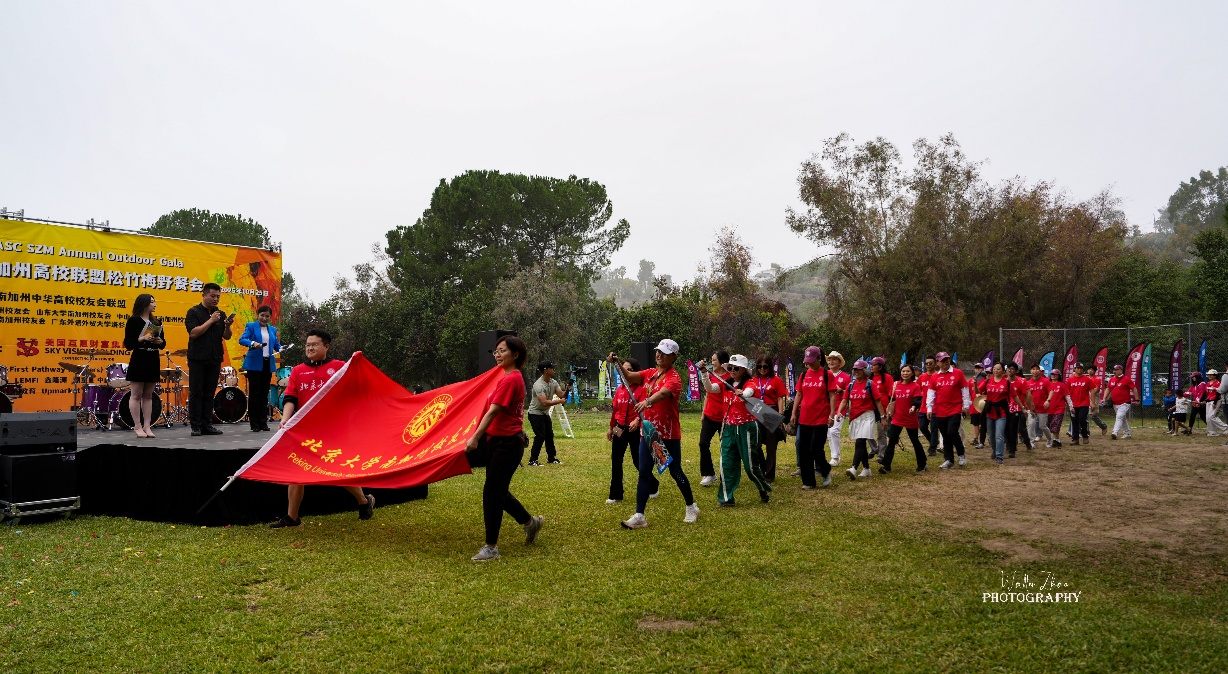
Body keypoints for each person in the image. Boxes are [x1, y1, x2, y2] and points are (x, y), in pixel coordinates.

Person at [270, 329, 375, 529]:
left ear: (326, 346)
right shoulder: (298, 371)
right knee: (296, 471)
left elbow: (355, 387)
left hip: (333, 430)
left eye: (314, 344)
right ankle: (292, 518)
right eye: (308, 345)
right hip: (305, 431)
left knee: (337, 470)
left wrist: (357, 364)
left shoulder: (338, 367)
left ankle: (364, 501)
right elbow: (291, 398)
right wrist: (285, 419)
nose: (310, 348)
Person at [465, 335, 543, 561]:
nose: (497, 355)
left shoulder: (510, 380)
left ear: (515, 355)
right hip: (498, 442)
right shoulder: (506, 377)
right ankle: (530, 523)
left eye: (502, 351)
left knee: (492, 492)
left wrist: (474, 438)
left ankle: (491, 547)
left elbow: (493, 411)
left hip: (508, 445)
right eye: (496, 351)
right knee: (498, 490)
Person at [610, 339, 699, 529]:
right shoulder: (650, 373)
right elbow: (628, 375)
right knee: (643, 472)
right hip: (648, 432)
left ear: (673, 357)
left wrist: (647, 401)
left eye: (664, 353)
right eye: (658, 351)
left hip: (667, 434)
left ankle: (691, 507)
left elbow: (663, 394)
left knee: (675, 472)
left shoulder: (674, 378)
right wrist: (617, 362)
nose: (659, 355)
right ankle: (639, 515)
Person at [711, 354, 773, 506]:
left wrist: (742, 394)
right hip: (728, 428)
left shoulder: (750, 383)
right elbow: (710, 389)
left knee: (750, 466)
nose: (732, 370)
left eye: (735, 368)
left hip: (746, 428)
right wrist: (704, 374)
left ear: (743, 370)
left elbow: (749, 392)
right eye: (730, 368)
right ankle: (726, 498)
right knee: (726, 463)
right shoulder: (726, 383)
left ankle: (762, 488)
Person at [185, 283, 233, 436]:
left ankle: (207, 424)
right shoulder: (193, 312)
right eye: (213, 296)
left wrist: (227, 326)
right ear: (204, 295)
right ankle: (196, 426)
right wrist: (211, 320)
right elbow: (194, 333)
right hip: (197, 358)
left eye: (218, 296)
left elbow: (227, 336)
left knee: (209, 393)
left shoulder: (221, 314)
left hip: (215, 358)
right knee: (196, 393)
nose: (215, 299)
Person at [789, 346, 838, 488]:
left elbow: (832, 395)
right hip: (805, 417)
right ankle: (808, 482)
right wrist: (793, 413)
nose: (809, 364)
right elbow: (799, 394)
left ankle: (825, 468)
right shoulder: (804, 375)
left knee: (816, 449)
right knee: (803, 450)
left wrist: (832, 414)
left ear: (819, 358)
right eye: (807, 361)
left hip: (821, 417)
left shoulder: (827, 374)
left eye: (812, 360)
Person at [122, 293, 166, 438]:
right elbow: (128, 344)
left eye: (155, 301)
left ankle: (147, 426)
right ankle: (137, 426)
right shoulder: (133, 321)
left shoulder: (157, 322)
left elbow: (163, 344)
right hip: (139, 357)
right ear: (145, 303)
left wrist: (160, 342)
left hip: (152, 358)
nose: (155, 304)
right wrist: (142, 338)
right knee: (136, 394)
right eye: (152, 302)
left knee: (148, 395)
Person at [837, 359, 886, 480]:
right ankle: (866, 468)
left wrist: (883, 417)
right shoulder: (851, 385)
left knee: (860, 441)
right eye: (854, 369)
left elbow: (878, 402)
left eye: (859, 369)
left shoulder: (870, 384)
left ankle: (854, 467)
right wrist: (838, 412)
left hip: (867, 416)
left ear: (865, 371)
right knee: (861, 443)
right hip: (854, 416)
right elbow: (844, 400)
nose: (856, 371)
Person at [606, 358, 644, 504]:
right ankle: (616, 494)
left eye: (629, 370)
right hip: (619, 428)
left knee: (637, 460)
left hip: (635, 429)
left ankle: (652, 485)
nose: (625, 372)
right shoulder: (620, 389)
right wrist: (611, 428)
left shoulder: (641, 389)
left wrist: (638, 420)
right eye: (623, 369)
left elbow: (645, 409)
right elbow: (615, 410)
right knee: (616, 460)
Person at [238, 305, 281, 432]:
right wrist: (253, 343)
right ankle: (254, 423)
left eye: (267, 316)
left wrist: (283, 348)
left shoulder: (272, 330)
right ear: (258, 315)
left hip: (267, 363)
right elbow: (242, 339)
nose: (264, 318)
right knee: (254, 394)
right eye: (262, 315)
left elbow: (277, 346)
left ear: (270, 317)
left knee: (264, 394)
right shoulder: (251, 326)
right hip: (254, 364)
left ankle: (263, 422)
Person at [926, 352, 971, 469]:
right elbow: (931, 393)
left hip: (955, 408)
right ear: (938, 363)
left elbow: (964, 390)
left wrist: (966, 406)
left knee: (952, 431)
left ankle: (961, 453)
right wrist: (929, 408)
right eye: (942, 360)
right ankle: (949, 459)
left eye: (947, 359)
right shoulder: (935, 376)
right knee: (945, 435)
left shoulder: (958, 373)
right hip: (940, 410)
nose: (945, 362)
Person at [881, 363, 926, 473]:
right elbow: (891, 400)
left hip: (910, 418)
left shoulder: (915, 386)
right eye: (903, 371)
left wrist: (913, 407)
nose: (905, 373)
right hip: (897, 418)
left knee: (915, 441)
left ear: (912, 373)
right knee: (892, 440)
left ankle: (922, 464)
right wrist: (890, 412)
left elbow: (917, 400)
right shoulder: (896, 385)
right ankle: (886, 466)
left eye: (908, 371)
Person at [750, 356, 789, 482]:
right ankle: (762, 469)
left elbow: (780, 398)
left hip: (771, 411)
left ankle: (769, 475)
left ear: (770, 367)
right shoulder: (753, 380)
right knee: (756, 443)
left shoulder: (776, 380)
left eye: (765, 366)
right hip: (757, 410)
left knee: (771, 446)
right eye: (759, 366)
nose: (762, 369)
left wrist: (780, 416)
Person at [697, 351, 731, 486]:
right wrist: (704, 412)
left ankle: (727, 474)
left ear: (722, 362)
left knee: (726, 447)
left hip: (724, 418)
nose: (712, 363)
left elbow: (711, 388)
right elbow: (708, 394)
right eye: (711, 360)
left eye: (714, 360)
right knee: (703, 443)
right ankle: (709, 474)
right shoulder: (713, 375)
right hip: (710, 416)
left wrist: (704, 373)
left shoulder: (729, 378)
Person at [526, 361, 567, 466]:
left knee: (549, 435)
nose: (554, 369)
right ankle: (532, 460)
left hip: (544, 413)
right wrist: (559, 401)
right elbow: (544, 402)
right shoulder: (538, 385)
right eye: (551, 368)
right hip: (535, 413)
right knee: (540, 436)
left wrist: (568, 388)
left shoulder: (553, 382)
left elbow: (561, 395)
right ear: (545, 370)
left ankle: (551, 458)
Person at [981, 363, 1012, 465]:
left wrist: (1022, 407)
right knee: (990, 436)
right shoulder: (988, 381)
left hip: (1001, 412)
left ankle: (999, 456)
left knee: (999, 435)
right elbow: (978, 391)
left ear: (1003, 371)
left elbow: (1014, 396)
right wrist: (975, 385)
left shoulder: (1007, 382)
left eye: (998, 369)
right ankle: (994, 450)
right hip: (990, 411)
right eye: (994, 369)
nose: (996, 371)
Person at [825, 351, 850, 466]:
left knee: (834, 431)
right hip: (825, 408)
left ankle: (835, 457)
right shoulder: (824, 375)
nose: (831, 361)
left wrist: (841, 390)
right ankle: (834, 456)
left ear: (840, 362)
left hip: (839, 408)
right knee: (828, 433)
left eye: (834, 359)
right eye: (829, 359)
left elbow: (850, 393)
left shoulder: (845, 377)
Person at [1003, 362, 1033, 457]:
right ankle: (1010, 446)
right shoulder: (1004, 381)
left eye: (1012, 369)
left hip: (1018, 408)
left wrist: (1028, 408)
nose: (1009, 370)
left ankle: (1025, 443)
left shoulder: (1022, 381)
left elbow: (1026, 395)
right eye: (1008, 368)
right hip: (1006, 408)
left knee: (1020, 428)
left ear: (1016, 371)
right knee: (1007, 429)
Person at [868, 357, 894, 461]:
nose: (872, 367)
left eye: (874, 365)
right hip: (870, 408)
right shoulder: (870, 378)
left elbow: (891, 395)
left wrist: (889, 409)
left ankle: (881, 454)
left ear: (880, 367)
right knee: (867, 431)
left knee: (881, 432)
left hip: (882, 409)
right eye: (871, 365)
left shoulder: (887, 378)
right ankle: (874, 448)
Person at [1105, 364, 1138, 440]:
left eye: (1116, 370)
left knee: (1119, 417)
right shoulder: (1112, 379)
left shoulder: (1126, 379)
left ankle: (1115, 432)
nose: (1114, 371)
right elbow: (1108, 389)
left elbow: (1134, 389)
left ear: (1121, 370)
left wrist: (1137, 399)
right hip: (1115, 403)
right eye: (1114, 369)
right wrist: (1104, 398)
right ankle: (1127, 433)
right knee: (1122, 418)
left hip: (1125, 402)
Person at [1066, 363, 1095, 446]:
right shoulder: (1070, 380)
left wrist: (1093, 402)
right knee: (1074, 421)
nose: (1079, 370)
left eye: (1081, 368)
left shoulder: (1087, 379)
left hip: (1084, 403)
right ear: (1074, 369)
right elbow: (1066, 392)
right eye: (1078, 368)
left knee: (1082, 419)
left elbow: (1092, 390)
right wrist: (1068, 403)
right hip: (1073, 404)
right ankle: (1075, 439)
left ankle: (1085, 435)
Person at [917, 356, 940, 456]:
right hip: (923, 407)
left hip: (936, 407)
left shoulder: (938, 376)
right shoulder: (922, 377)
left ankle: (932, 448)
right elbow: (917, 390)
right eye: (927, 363)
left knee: (934, 428)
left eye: (931, 363)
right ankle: (933, 441)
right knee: (922, 426)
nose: (928, 365)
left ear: (935, 364)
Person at [1025, 363, 1052, 447]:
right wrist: (1026, 406)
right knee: (1031, 425)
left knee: (1042, 426)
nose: (1035, 371)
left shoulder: (1046, 381)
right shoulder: (1027, 382)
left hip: (1042, 408)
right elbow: (1025, 395)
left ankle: (1049, 439)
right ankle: (1031, 443)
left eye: (1037, 369)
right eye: (1033, 369)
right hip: (1032, 408)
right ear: (1030, 371)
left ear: (1040, 371)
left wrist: (1048, 400)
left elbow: (1051, 391)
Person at [1043, 369, 1069, 447]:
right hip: (1049, 409)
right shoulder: (1048, 384)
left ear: (1058, 376)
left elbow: (1067, 396)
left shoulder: (1062, 385)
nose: (1053, 375)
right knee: (1049, 426)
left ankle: (1056, 440)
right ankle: (1056, 440)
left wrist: (1071, 406)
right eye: (1052, 374)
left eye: (1055, 374)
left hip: (1059, 408)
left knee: (1055, 425)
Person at [969, 362, 987, 449]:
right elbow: (968, 393)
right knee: (975, 423)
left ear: (983, 369)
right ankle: (975, 438)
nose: (977, 370)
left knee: (984, 423)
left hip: (983, 405)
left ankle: (986, 439)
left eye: (979, 368)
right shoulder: (970, 381)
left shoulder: (986, 380)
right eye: (976, 368)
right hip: (974, 405)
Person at [1207, 370, 1227, 437]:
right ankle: (1212, 432)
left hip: (1215, 401)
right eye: (1209, 374)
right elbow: (1207, 393)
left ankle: (1225, 427)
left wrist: (1215, 402)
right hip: (1209, 401)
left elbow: (1218, 393)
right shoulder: (1208, 383)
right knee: (1208, 418)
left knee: (1211, 416)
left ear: (1215, 375)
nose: (1209, 376)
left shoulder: (1218, 383)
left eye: (1211, 375)